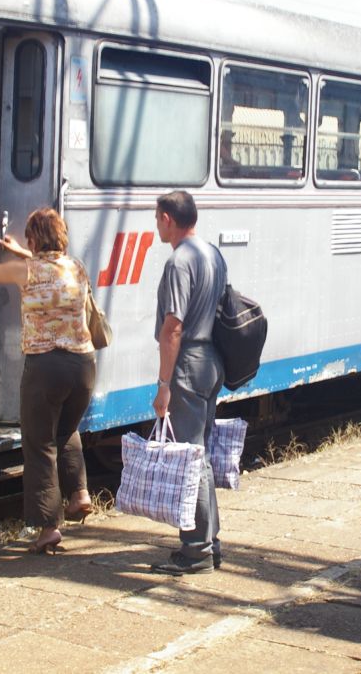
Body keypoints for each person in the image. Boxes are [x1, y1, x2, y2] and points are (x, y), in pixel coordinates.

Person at [0, 208, 96, 554]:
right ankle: (79, 494)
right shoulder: (76, 267)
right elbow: (50, 270)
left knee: (39, 443)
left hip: (45, 367)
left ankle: (48, 527)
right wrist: (25, 253)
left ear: (33, 239)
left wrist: (12, 256)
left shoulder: (24, 271)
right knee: (66, 430)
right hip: (83, 366)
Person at [149, 190, 227, 575]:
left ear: (167, 218)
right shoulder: (213, 254)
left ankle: (195, 552)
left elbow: (173, 328)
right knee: (201, 457)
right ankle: (210, 544)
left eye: (156, 217)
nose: (155, 225)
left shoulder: (179, 262)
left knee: (189, 458)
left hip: (188, 366)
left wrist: (164, 384)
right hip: (212, 362)